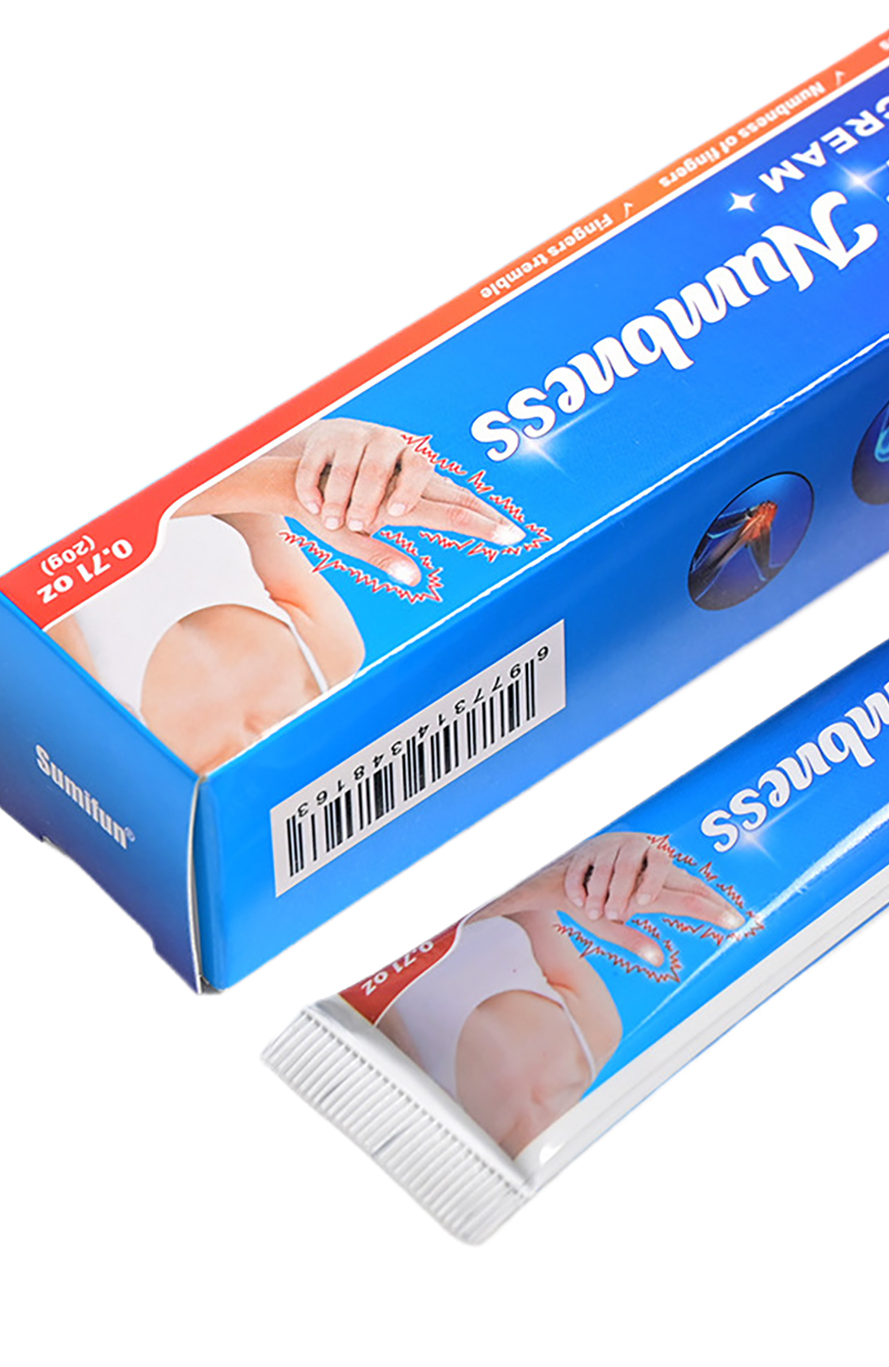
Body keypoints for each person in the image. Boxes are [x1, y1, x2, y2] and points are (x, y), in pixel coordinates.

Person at [51, 417, 524, 774]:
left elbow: (44, 557)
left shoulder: (130, 763)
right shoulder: (331, 653)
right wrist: (319, 453)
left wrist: (282, 484)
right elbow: (224, 458)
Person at [377, 830, 744, 1158]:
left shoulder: (429, 1133)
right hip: (438, 838)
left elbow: (370, 959)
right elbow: (525, 875)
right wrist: (592, 859)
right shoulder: (595, 1029)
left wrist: (538, 886)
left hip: (377, 876)